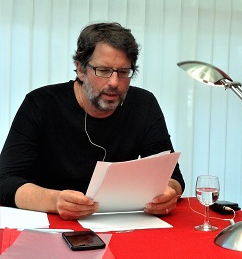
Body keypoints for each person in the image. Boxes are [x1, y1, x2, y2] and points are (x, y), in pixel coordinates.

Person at [0, 22, 184, 220]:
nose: (114, 82)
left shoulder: (144, 104)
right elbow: (5, 181)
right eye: (103, 70)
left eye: (123, 72)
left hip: (119, 223)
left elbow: (174, 179)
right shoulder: (40, 104)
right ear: (80, 69)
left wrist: (168, 193)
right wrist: (54, 200)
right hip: (52, 221)